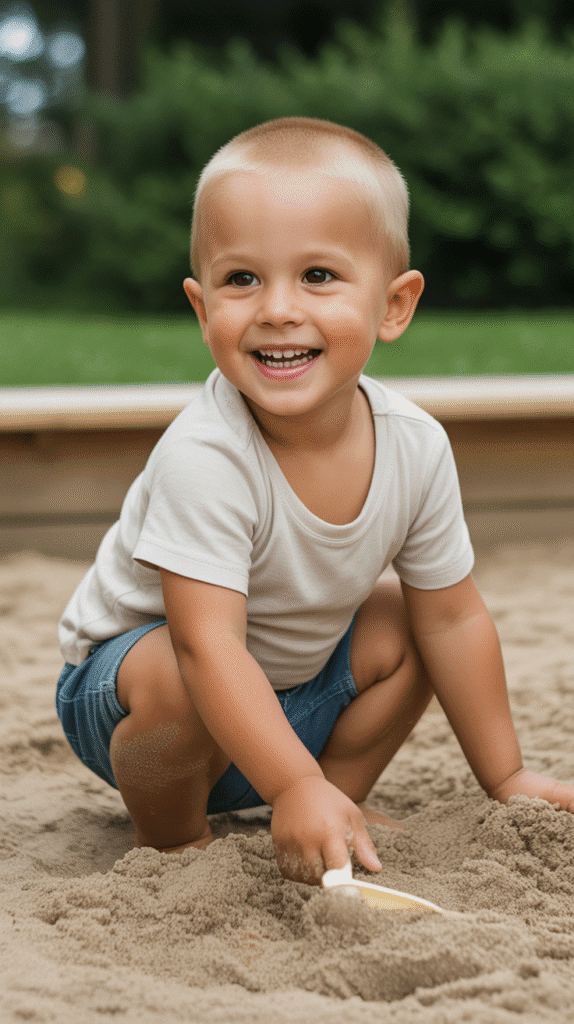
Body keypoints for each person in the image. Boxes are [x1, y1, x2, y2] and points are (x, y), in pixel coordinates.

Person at [56, 117, 574, 885]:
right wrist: (286, 781)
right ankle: (173, 838)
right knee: (174, 665)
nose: (277, 309)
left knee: (411, 617)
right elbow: (208, 648)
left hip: (288, 697)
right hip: (139, 710)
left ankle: (333, 796)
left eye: (319, 277)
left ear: (393, 306)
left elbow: (456, 617)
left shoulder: (415, 446)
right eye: (242, 280)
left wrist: (506, 779)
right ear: (203, 313)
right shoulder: (208, 454)